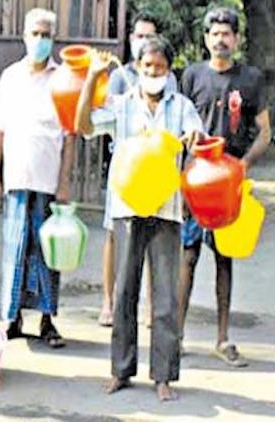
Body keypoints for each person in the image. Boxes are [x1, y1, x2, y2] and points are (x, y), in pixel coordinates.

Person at [76, 36, 204, 402]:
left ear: (169, 71)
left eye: (160, 68)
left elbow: (198, 144)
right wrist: (91, 79)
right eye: (147, 67)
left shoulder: (182, 107)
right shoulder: (121, 104)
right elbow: (84, 126)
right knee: (124, 292)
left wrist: (193, 141)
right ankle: (121, 369)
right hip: (127, 208)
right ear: (137, 67)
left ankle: (163, 375)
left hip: (167, 209)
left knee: (164, 297)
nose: (153, 73)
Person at [177, 7, 271, 367]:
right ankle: (178, 337)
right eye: (214, 33)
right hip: (196, 178)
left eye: (227, 33)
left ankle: (222, 338)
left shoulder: (250, 79)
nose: (220, 39)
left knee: (224, 258)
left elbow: (265, 130)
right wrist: (181, 175)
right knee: (187, 256)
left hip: (229, 181)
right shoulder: (191, 75)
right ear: (205, 39)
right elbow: (177, 125)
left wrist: (244, 165)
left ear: (237, 38)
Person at [0, 8, 74, 348]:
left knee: (48, 251)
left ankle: (48, 320)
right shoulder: (10, 77)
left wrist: (65, 183)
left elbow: (69, 137)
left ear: (54, 38)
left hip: (49, 181)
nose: (40, 40)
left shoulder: (63, 79)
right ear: (24, 35)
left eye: (46, 34)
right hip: (17, 179)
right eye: (34, 33)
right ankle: (13, 316)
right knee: (15, 248)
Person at [98, 12, 177, 327]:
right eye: (138, 36)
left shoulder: (167, 80)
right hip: (124, 171)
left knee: (148, 240)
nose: (142, 41)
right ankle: (108, 301)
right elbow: (104, 113)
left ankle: (147, 307)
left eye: (149, 36)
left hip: (154, 174)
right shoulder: (121, 75)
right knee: (114, 237)